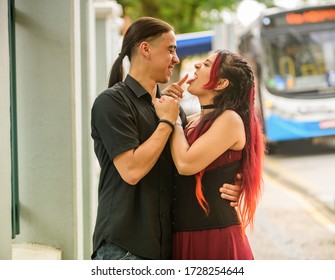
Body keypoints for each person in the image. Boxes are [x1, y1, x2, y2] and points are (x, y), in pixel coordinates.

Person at [90, 17, 241, 260]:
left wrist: (236, 181)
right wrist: (167, 122)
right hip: (124, 249)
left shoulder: (171, 110)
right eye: (171, 49)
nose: (176, 59)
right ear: (145, 49)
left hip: (167, 249)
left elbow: (193, 163)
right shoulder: (112, 102)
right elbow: (132, 170)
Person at [170, 50, 265, 260]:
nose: (196, 66)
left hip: (214, 237)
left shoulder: (229, 119)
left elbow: (185, 164)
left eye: (205, 65)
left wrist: (172, 118)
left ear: (221, 83)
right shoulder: (192, 120)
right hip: (182, 234)